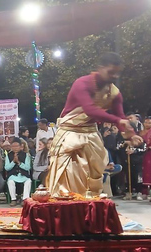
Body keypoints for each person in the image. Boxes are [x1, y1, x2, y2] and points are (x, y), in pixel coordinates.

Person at [47, 52, 140, 196]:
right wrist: (117, 121)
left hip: (91, 133)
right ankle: (66, 207)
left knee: (95, 175)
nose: (114, 76)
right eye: (111, 72)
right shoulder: (82, 83)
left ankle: (90, 208)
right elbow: (90, 110)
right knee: (67, 175)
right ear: (100, 68)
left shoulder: (114, 93)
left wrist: (131, 134)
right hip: (70, 132)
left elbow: (120, 116)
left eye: (117, 73)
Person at [5, 137, 32, 206]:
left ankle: (25, 199)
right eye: (13, 146)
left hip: (23, 175)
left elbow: (28, 167)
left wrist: (19, 163)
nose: (15, 148)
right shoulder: (8, 155)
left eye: (17, 146)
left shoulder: (26, 155)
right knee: (10, 181)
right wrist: (13, 162)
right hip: (13, 175)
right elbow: (6, 168)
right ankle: (13, 199)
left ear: (20, 146)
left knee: (28, 181)